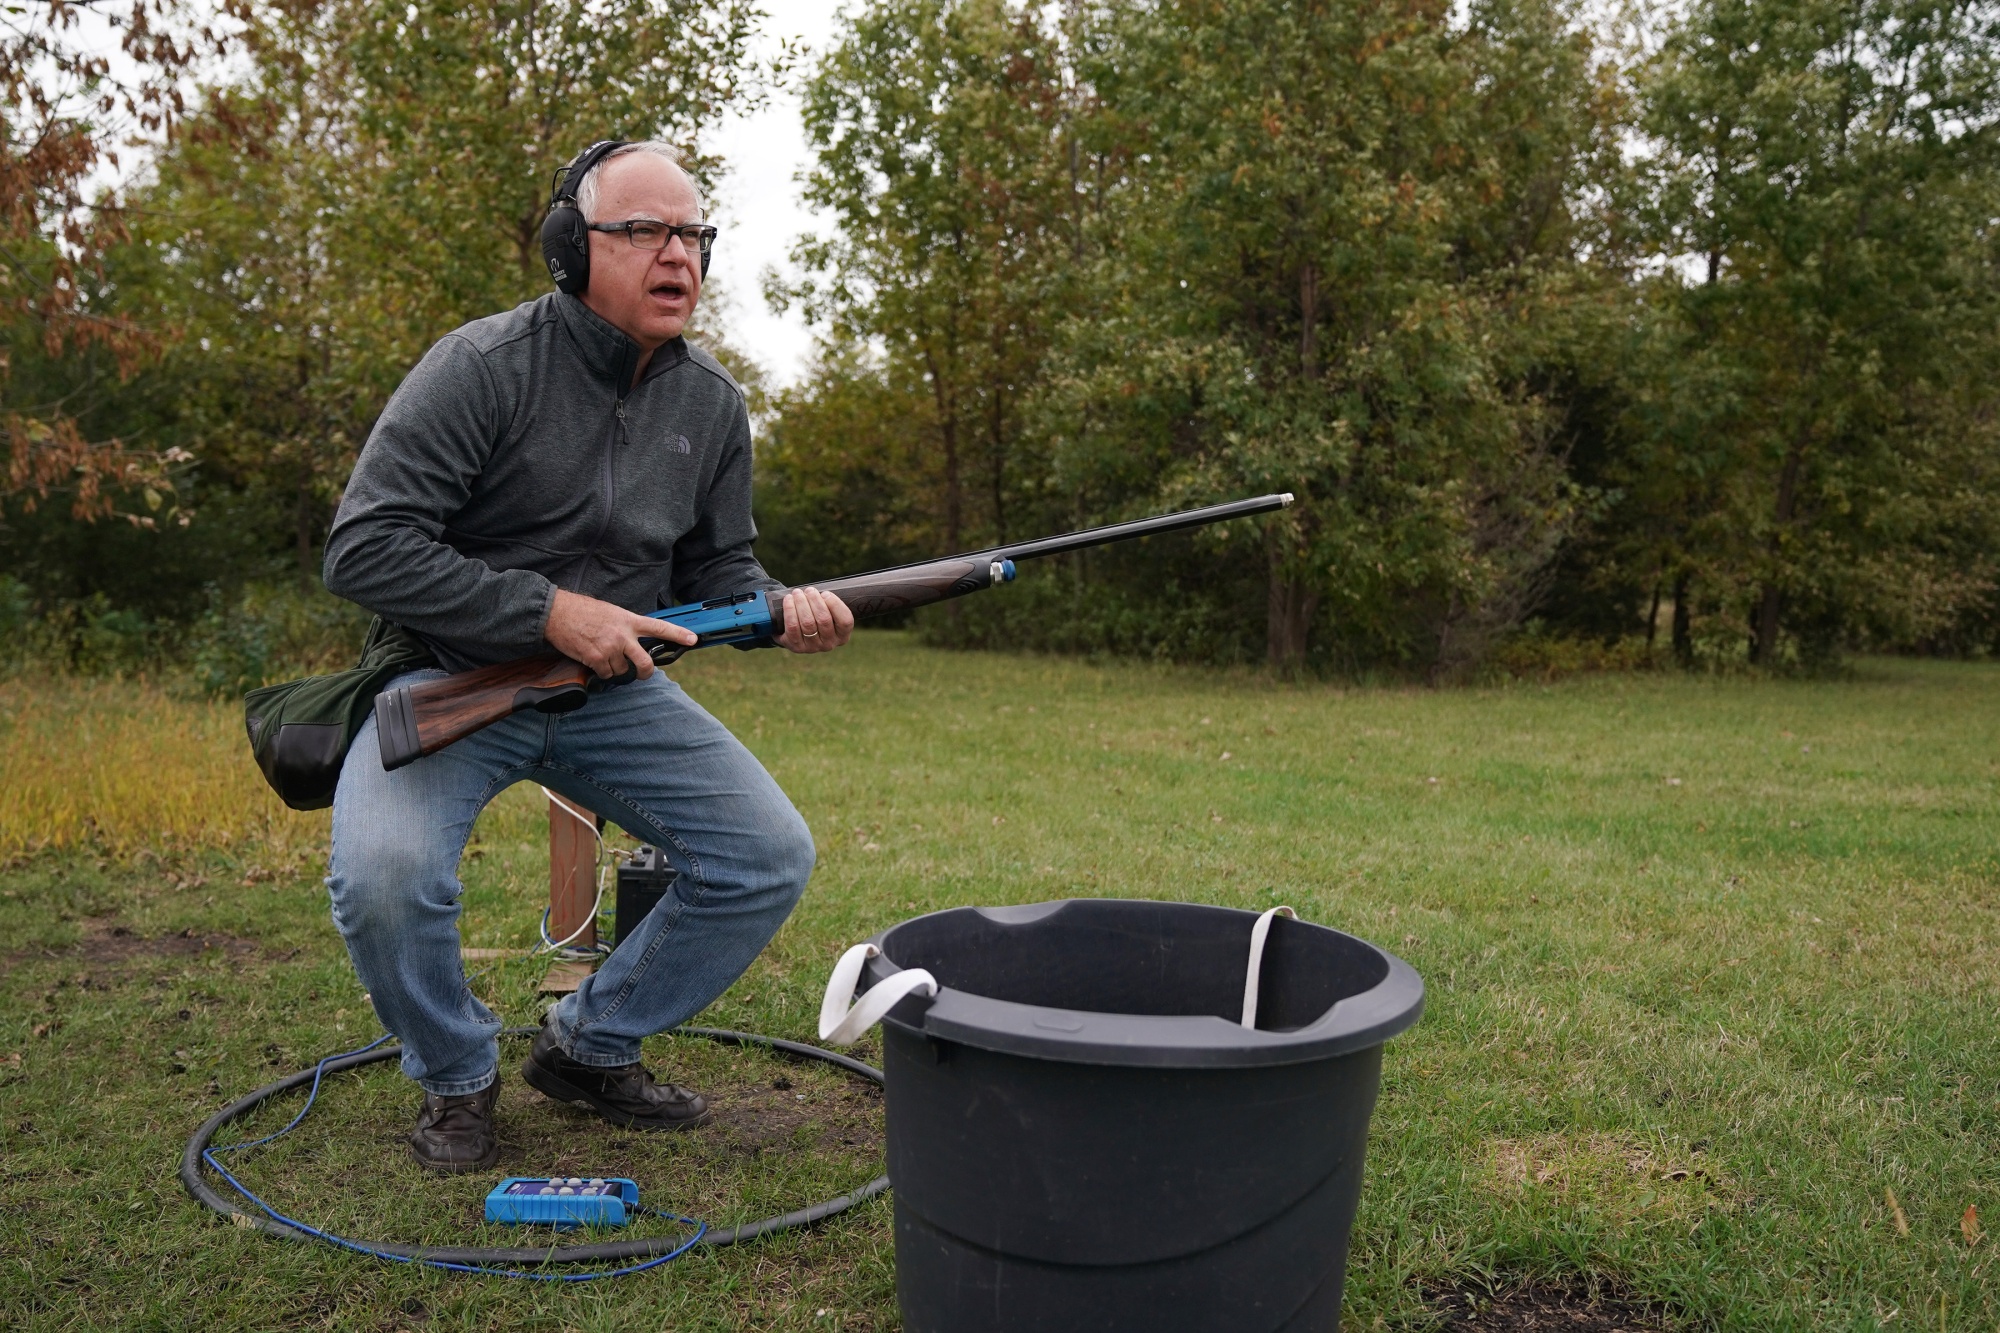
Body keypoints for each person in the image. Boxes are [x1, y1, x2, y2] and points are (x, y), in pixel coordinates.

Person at [320, 140, 853, 1172]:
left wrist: (790, 609)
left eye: (693, 236)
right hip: (447, 682)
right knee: (384, 874)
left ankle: (588, 1045)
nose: (679, 257)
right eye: (644, 231)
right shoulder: (478, 368)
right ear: (572, 248)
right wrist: (546, 610)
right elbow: (364, 547)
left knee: (763, 857)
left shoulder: (712, 407)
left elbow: (726, 574)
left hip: (611, 698)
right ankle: (454, 1071)